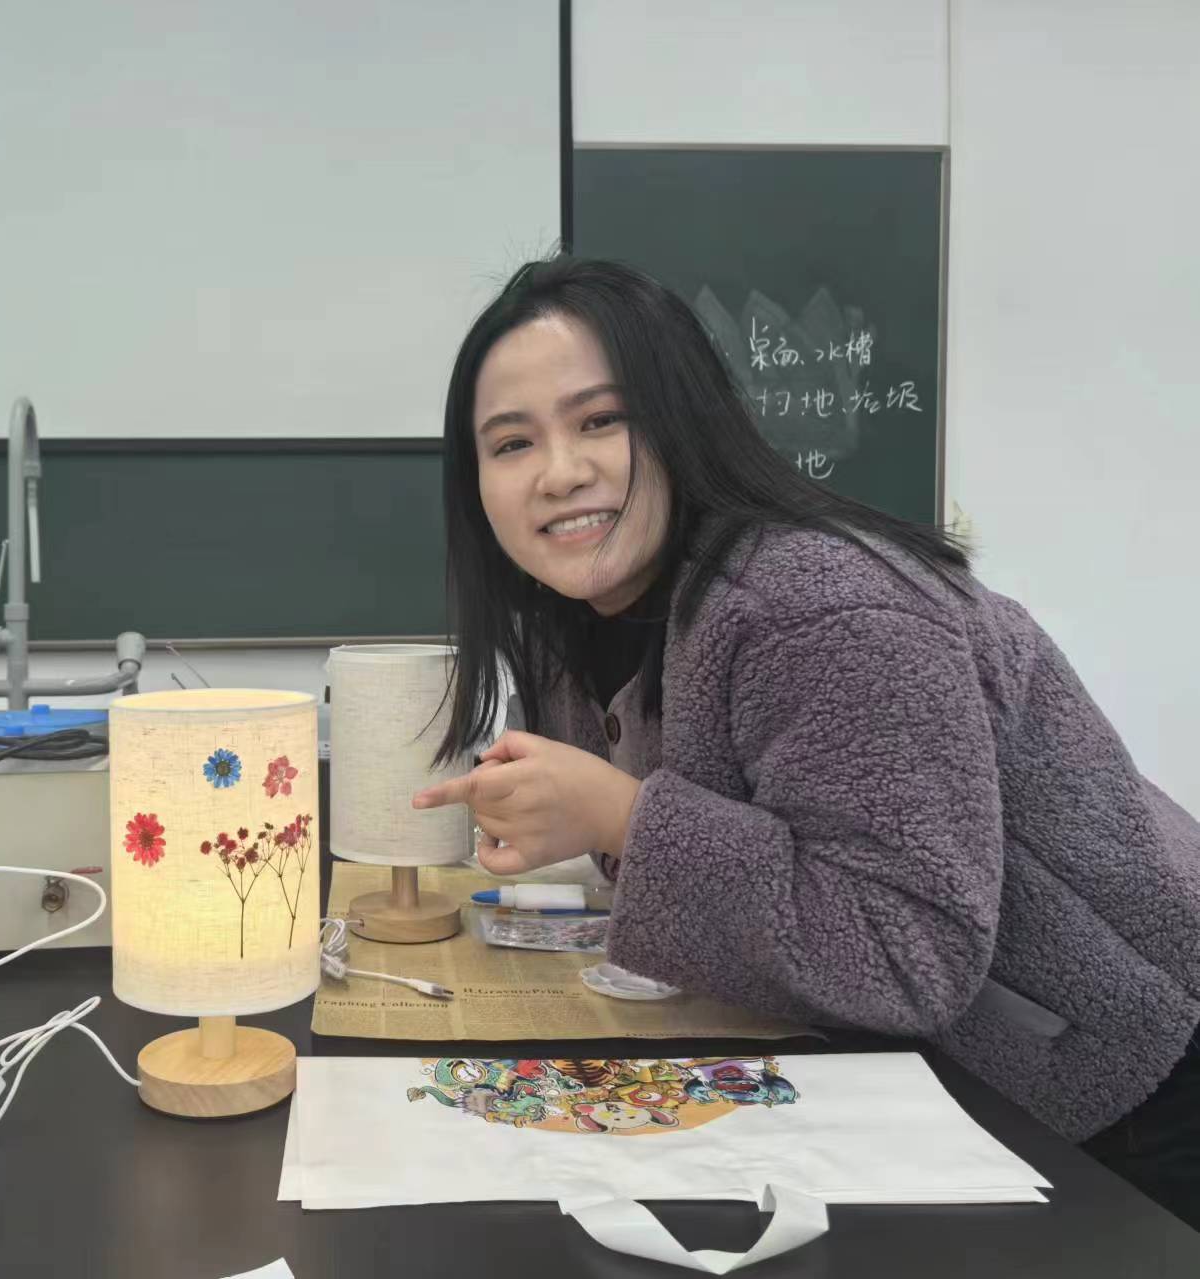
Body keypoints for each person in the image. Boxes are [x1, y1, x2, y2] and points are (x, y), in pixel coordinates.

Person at [410, 257, 1200, 1227]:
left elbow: (908, 949)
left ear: (683, 418)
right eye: (510, 442)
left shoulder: (817, 602)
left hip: (1133, 1070)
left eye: (602, 421)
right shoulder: (575, 623)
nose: (560, 471)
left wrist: (620, 815)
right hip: (925, 1089)